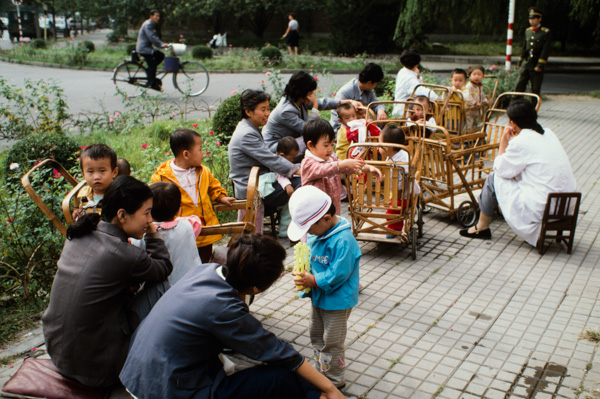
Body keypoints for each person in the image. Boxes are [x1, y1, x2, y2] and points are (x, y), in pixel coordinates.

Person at [120, 234, 346, 399]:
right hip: (164, 389)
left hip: (138, 373)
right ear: (255, 288)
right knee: (280, 378)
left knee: (292, 376)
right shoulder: (224, 308)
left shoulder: (204, 271)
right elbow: (278, 352)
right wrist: (330, 387)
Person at [42, 176, 173, 388]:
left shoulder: (81, 232)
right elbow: (163, 268)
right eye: (146, 213)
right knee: (160, 287)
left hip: (58, 352)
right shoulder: (124, 254)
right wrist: (153, 234)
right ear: (122, 215)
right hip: (99, 369)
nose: (150, 219)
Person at [459, 100, 576, 244]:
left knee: (492, 178)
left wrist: (504, 141)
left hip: (541, 207)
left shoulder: (521, 142)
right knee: (516, 175)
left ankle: (482, 227)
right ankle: (496, 214)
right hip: (566, 204)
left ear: (512, 123)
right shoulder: (549, 134)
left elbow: (500, 169)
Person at [288, 186, 361, 388]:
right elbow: (311, 258)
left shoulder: (344, 240)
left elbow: (339, 273)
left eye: (309, 227)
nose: (308, 233)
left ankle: (335, 379)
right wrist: (303, 272)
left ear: (327, 219)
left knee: (332, 340)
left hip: (337, 301)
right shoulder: (317, 234)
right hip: (320, 297)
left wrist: (314, 280)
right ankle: (322, 369)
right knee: (316, 333)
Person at [152, 128, 236, 263]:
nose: (203, 153)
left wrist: (220, 196)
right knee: (185, 259)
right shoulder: (162, 178)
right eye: (200, 149)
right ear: (186, 154)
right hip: (180, 231)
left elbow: (213, 185)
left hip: (205, 227)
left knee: (204, 259)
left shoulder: (203, 171)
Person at [228, 89, 301, 234]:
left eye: (268, 109)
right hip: (253, 189)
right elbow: (271, 159)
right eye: (263, 109)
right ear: (248, 112)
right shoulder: (247, 134)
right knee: (302, 182)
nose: (268, 113)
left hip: (263, 181)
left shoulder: (249, 128)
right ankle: (296, 228)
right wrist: (296, 170)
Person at [262, 71, 362, 156]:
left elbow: (323, 103)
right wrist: (314, 106)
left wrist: (346, 102)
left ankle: (333, 163)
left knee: (317, 141)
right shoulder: (286, 110)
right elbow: (308, 130)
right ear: (300, 92)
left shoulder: (297, 100)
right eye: (309, 93)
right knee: (314, 140)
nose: (312, 96)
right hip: (277, 148)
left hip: (291, 141)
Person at [301, 119, 381, 216]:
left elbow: (346, 167)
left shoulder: (331, 159)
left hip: (334, 208)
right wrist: (343, 164)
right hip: (315, 212)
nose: (330, 149)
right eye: (326, 145)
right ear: (311, 145)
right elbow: (324, 169)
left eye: (332, 144)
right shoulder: (308, 163)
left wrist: (367, 168)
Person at [131, 182, 203, 285]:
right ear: (178, 211)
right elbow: (196, 220)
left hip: (158, 291)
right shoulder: (187, 226)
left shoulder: (140, 234)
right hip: (191, 283)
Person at [378, 125, 420, 237]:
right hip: (396, 191)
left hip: (403, 194)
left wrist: (395, 190)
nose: (378, 147)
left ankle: (394, 229)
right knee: (393, 207)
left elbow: (401, 183)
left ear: (387, 147)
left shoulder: (401, 162)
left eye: (379, 145)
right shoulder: (398, 154)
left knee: (393, 210)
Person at [257, 137, 299, 237]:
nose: (292, 160)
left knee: (288, 209)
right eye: (291, 157)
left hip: (278, 190)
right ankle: (285, 231)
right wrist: (288, 186)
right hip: (271, 193)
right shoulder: (277, 162)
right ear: (281, 155)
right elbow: (279, 175)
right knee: (288, 209)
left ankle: (286, 229)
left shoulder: (282, 160)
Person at [329, 63, 388, 133]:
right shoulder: (345, 92)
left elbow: (376, 103)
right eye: (376, 83)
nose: (375, 86)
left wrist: (381, 110)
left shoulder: (367, 90)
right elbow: (338, 118)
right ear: (369, 83)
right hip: (344, 130)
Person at [73, 144, 119, 220]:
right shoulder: (84, 194)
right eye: (90, 171)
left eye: (102, 171)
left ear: (114, 172)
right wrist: (78, 212)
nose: (96, 177)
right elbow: (83, 210)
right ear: (83, 174)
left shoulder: (117, 194)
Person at [515, 7, 551, 95]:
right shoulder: (528, 31)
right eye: (530, 19)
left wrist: (540, 64)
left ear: (539, 19)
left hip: (536, 63)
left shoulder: (545, 32)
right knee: (519, 86)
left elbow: (545, 50)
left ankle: (533, 108)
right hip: (527, 62)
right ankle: (515, 106)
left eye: (534, 19)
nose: (531, 21)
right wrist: (520, 61)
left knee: (535, 89)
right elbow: (525, 47)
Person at [392, 49, 438, 117]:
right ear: (417, 63)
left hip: (402, 109)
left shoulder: (403, 71)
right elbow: (421, 90)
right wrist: (437, 98)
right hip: (405, 112)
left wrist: (418, 76)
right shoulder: (408, 78)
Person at [136, 9, 169, 91]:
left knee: (160, 56)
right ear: (151, 16)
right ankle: (151, 82)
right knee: (153, 64)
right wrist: (161, 44)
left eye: (159, 16)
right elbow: (152, 37)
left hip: (147, 48)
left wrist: (161, 44)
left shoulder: (151, 24)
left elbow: (154, 37)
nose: (158, 18)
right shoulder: (148, 25)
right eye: (156, 16)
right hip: (144, 49)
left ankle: (150, 71)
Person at [465, 66, 489, 130]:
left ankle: (474, 137)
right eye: (474, 74)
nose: (477, 76)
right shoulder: (469, 86)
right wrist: (474, 102)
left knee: (475, 123)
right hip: (469, 109)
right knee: (469, 123)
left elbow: (482, 94)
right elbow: (468, 96)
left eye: (479, 74)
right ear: (470, 76)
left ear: (482, 76)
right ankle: (468, 136)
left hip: (476, 109)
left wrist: (485, 100)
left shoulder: (480, 86)